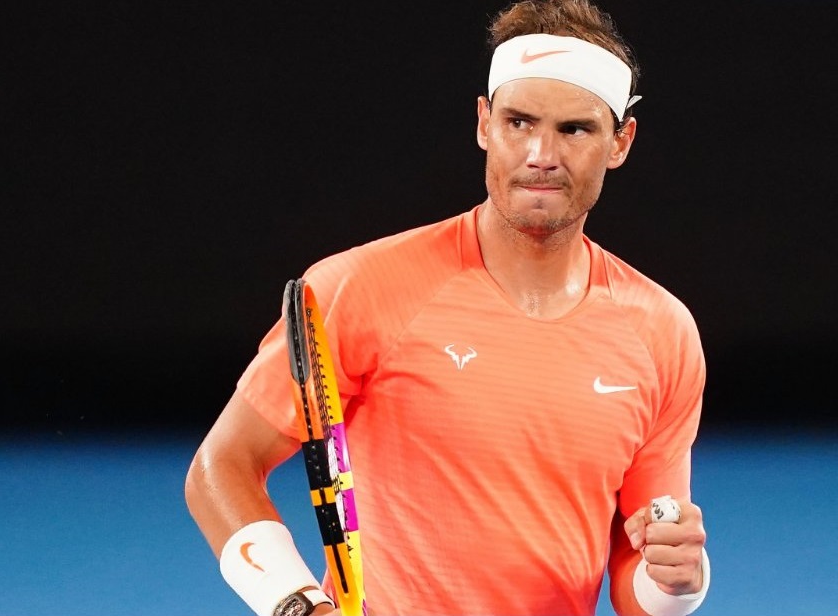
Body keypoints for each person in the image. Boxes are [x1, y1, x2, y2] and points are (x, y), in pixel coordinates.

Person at [185, 1, 711, 614]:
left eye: (575, 129)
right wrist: (297, 603)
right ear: (484, 123)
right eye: (519, 122)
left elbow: (636, 582)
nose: (542, 153)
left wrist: (676, 581)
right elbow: (221, 468)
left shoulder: (663, 333)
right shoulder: (360, 288)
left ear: (621, 141)